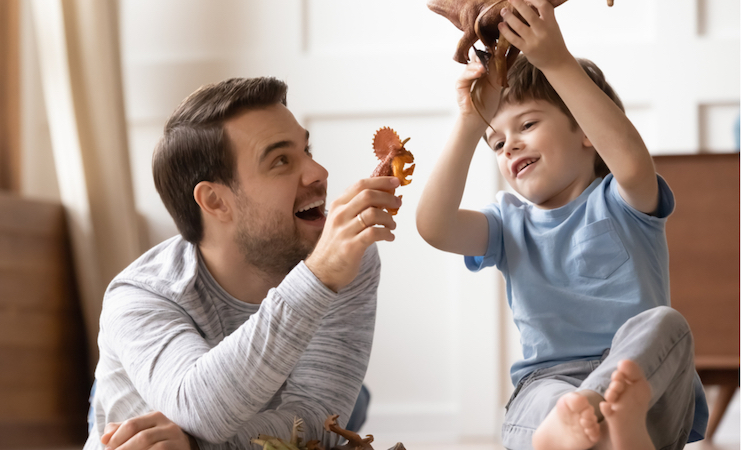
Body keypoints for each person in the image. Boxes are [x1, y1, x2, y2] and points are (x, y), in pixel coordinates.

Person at [415, 0, 708, 449]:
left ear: (586, 130)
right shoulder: (507, 224)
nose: (510, 146)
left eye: (528, 124)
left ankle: (607, 415)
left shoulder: (624, 201)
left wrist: (556, 60)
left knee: (666, 324)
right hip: (547, 390)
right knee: (549, 399)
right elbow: (434, 226)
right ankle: (600, 432)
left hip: (645, 389)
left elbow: (629, 160)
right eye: (496, 142)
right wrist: (469, 123)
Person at [84, 76, 403, 450]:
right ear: (216, 202)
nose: (319, 173)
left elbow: (319, 421)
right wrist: (319, 278)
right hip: (155, 382)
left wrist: (196, 445)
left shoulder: (349, 255)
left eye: (307, 150)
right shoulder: (139, 296)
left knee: (350, 400)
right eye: (281, 160)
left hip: (257, 392)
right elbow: (200, 410)